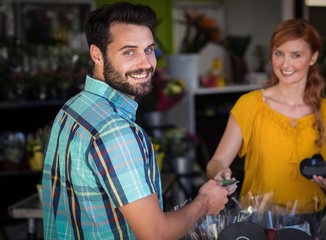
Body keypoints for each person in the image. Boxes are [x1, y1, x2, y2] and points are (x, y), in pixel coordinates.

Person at [41, 2, 229, 239]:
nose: (146, 63)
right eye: (129, 51)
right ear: (97, 54)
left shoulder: (74, 107)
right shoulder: (115, 130)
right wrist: (205, 202)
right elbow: (155, 233)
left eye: (149, 50)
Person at [206, 18, 326, 214]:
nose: (285, 64)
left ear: (313, 57)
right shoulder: (250, 105)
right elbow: (216, 163)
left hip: (312, 223)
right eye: (278, 53)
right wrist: (219, 173)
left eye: (296, 55)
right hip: (259, 222)